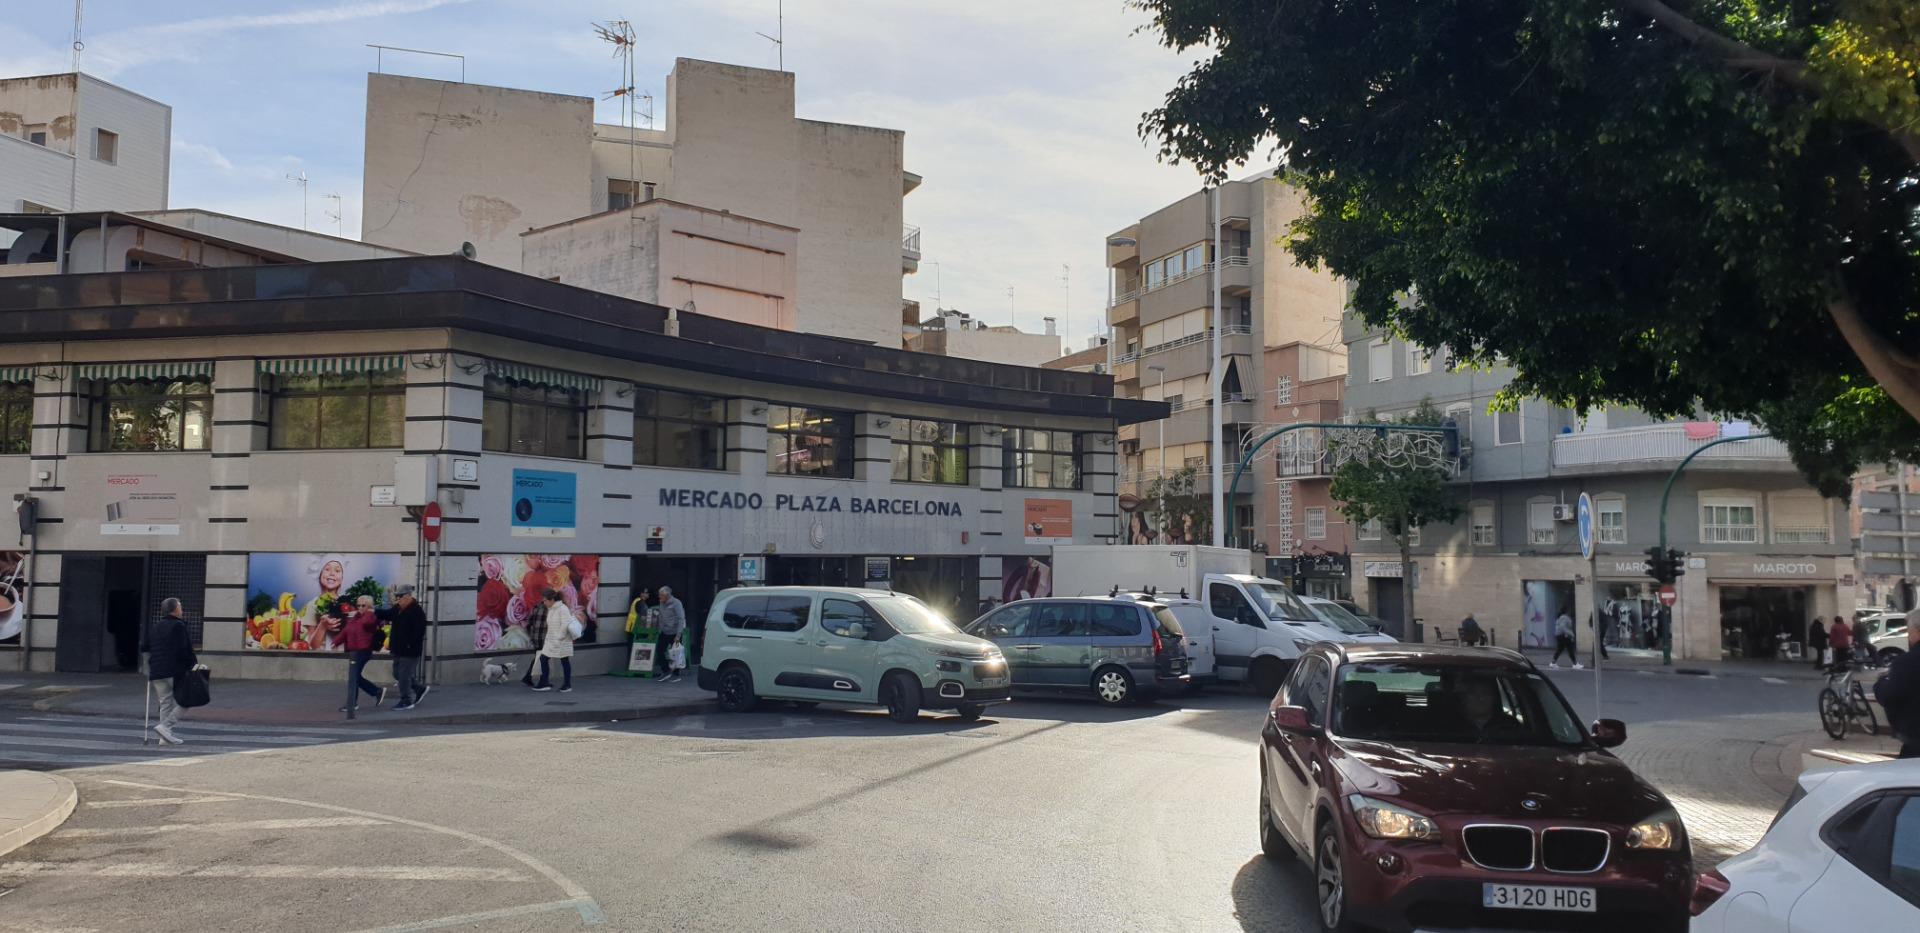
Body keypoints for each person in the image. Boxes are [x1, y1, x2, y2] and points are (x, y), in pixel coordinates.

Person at [140, 597, 197, 745]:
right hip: (174, 670)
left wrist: (148, 666)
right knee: (188, 699)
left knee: (165, 703)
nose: (182, 609)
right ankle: (165, 727)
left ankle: (164, 738)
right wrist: (193, 665)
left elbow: (144, 647)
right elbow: (184, 649)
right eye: (180, 606)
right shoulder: (178, 626)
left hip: (157, 671)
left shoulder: (156, 626)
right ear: (175, 609)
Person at [376, 585, 429, 711]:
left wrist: (409, 645)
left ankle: (406, 700)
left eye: (400, 596)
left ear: (408, 596)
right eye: (396, 596)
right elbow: (388, 614)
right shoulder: (398, 608)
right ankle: (419, 688)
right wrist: (374, 611)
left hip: (409, 651)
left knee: (404, 676)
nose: (397, 599)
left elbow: (419, 632)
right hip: (398, 649)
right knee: (397, 673)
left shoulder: (416, 611)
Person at [1871, 621, 1920, 759]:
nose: (1908, 637)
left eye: (1909, 632)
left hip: (1915, 740)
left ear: (1917, 632)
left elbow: (1890, 696)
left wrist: (1879, 685)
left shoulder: (1906, 662)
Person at [339, 600, 385, 713]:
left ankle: (352, 703)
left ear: (369, 606)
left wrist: (366, 614)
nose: (360, 608)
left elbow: (366, 624)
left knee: (354, 676)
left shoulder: (370, 617)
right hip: (356, 650)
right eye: (358, 605)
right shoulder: (357, 617)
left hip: (364, 650)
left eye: (363, 605)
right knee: (355, 676)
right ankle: (376, 691)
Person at [533, 589, 577, 693]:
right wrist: (549, 639)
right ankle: (544, 682)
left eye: (545, 600)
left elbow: (565, 624)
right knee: (543, 659)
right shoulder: (551, 609)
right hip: (551, 640)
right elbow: (551, 626)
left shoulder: (562, 608)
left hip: (562, 641)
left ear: (552, 599)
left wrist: (559, 637)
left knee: (564, 661)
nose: (544, 602)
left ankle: (567, 685)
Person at [1457, 676, 1523, 738]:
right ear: (1463, 698)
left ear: (1493, 697)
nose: (1481, 698)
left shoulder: (1510, 724)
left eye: (1485, 692)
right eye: (1473, 693)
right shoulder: (1454, 725)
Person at [653, 586, 686, 683]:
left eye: (661, 595)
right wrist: (659, 628)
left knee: (676, 654)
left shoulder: (676, 603)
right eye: (659, 595)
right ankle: (666, 671)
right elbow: (661, 616)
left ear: (667, 595)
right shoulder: (661, 602)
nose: (659, 597)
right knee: (659, 651)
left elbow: (681, 619)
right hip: (664, 632)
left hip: (675, 632)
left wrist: (678, 635)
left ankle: (676, 675)